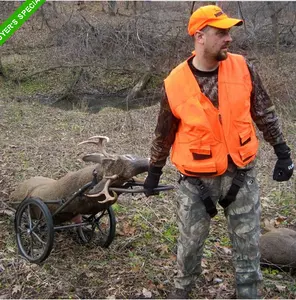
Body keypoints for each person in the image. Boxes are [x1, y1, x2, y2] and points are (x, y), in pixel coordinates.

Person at [143, 4, 294, 299]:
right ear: (199, 36)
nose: (229, 38)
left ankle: (249, 295)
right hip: (195, 184)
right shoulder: (174, 83)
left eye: (229, 32)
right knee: (188, 252)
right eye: (221, 32)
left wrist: (283, 151)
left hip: (242, 177)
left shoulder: (243, 68)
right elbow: (164, 134)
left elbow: (264, 112)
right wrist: (154, 172)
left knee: (249, 253)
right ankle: (181, 292)